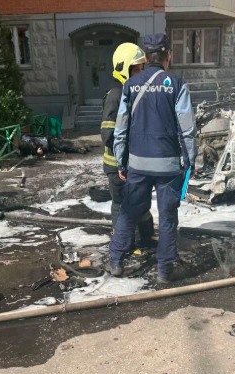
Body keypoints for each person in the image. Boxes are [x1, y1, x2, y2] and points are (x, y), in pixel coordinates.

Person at [107, 34, 197, 284]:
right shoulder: (177, 84)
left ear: (145, 58)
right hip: (168, 165)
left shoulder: (130, 85)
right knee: (167, 217)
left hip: (138, 163)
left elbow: (121, 128)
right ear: (169, 56)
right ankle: (164, 271)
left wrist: (121, 160)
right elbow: (187, 129)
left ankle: (115, 261)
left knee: (129, 212)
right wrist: (190, 161)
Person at [101, 43, 154, 246]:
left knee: (141, 203)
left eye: (142, 68)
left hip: (134, 164)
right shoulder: (116, 95)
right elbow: (108, 135)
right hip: (118, 167)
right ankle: (123, 244)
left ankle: (147, 239)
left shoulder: (132, 92)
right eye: (136, 69)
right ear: (124, 69)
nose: (141, 73)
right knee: (122, 205)